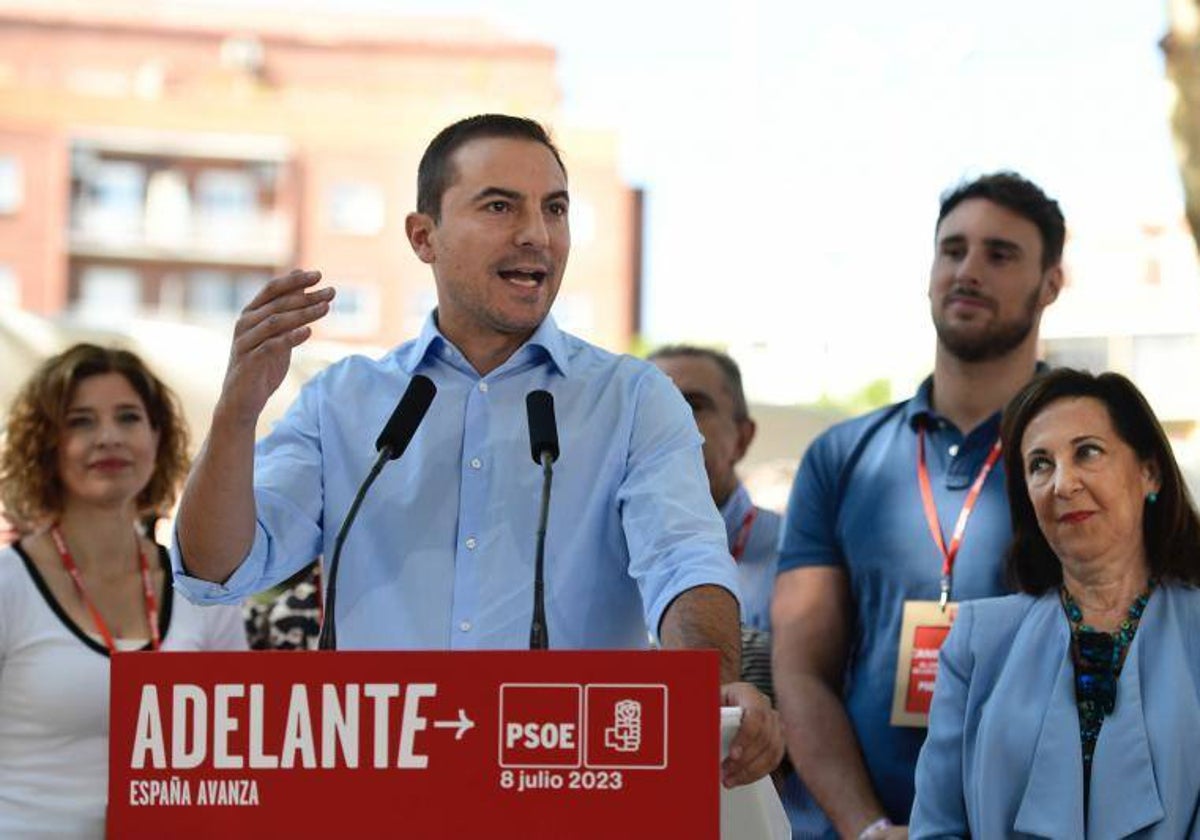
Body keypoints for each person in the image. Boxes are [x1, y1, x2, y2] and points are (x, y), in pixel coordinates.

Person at [171, 113, 782, 787]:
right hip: (377, 794)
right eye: (500, 206)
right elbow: (218, 568)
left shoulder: (633, 399)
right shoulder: (343, 401)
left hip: (564, 788)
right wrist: (236, 412)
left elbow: (683, 561)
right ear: (422, 236)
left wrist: (709, 683)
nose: (536, 234)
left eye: (555, 209)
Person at [771, 171, 1065, 838]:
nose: (968, 271)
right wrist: (868, 828)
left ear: (1051, 284)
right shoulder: (842, 457)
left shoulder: (1079, 459)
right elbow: (801, 672)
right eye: (952, 249)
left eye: (1000, 253)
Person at [910, 368, 1200, 838]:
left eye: (1087, 452)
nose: (1063, 484)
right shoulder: (978, 642)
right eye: (1040, 464)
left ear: (1150, 472)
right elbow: (937, 826)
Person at [0, 343, 247, 837]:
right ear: (46, 445)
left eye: (129, 418)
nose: (108, 437)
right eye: (81, 422)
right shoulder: (8, 586)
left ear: (158, 437)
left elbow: (236, 748)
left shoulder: (207, 591)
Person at [649, 345, 782, 699]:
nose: (670, 420)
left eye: (694, 405)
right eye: (653, 404)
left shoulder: (798, 559)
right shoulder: (593, 556)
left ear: (742, 437)